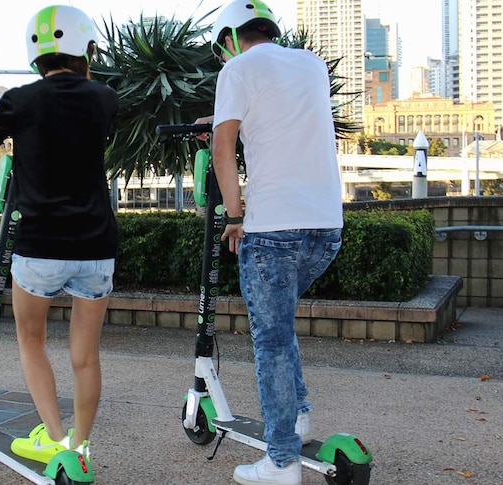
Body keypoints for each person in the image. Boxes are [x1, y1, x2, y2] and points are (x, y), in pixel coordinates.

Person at [0, 4, 118, 466]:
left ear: (36, 55)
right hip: (95, 245)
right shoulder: (106, 98)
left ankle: (53, 435)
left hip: (40, 247)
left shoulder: (18, 100)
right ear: (85, 49)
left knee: (32, 341)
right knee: (85, 356)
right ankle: (80, 448)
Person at [206, 1, 344, 484]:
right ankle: (298, 416)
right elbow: (283, 123)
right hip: (327, 228)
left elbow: (224, 151)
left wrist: (234, 215)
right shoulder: (310, 64)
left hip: (274, 230)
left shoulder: (238, 68)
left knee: (271, 340)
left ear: (229, 38)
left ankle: (281, 461)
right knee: (280, 327)